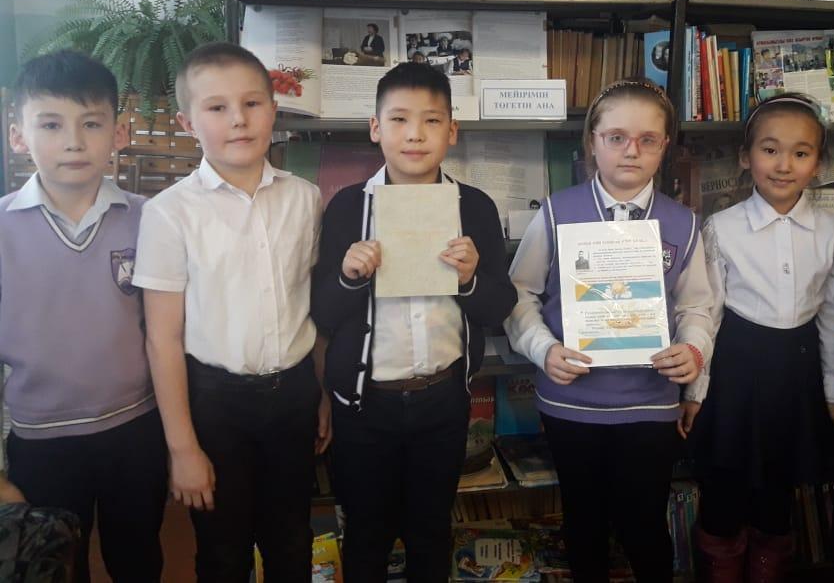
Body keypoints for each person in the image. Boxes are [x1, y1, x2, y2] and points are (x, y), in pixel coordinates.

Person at [311, 62, 516, 582]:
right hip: (364, 407)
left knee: (431, 531)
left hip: (441, 400)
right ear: (375, 128)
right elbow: (322, 313)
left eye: (431, 120)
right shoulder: (346, 209)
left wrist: (469, 279)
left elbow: (499, 306)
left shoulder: (474, 207)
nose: (415, 134)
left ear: (452, 130)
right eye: (399, 119)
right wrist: (350, 277)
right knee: (366, 534)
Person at [133, 43, 329, 583]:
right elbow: (162, 339)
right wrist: (183, 447)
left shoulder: (305, 198)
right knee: (223, 551)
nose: (238, 120)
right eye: (217, 108)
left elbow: (312, 305)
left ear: (273, 110)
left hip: (293, 395)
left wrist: (321, 392)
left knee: (293, 540)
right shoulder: (169, 214)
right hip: (215, 405)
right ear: (187, 122)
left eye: (252, 104)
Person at [506, 79, 714, 582]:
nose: (631, 150)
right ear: (592, 142)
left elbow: (697, 307)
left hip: (650, 404)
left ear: (664, 146)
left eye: (647, 139)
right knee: (585, 523)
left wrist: (693, 350)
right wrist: (543, 348)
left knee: (645, 524)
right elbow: (519, 295)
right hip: (572, 402)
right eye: (616, 137)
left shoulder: (683, 223)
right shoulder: (557, 212)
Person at [0, 52, 168, 582]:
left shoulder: (150, 220)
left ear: (119, 132)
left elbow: (168, 333)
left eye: (91, 124)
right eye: (51, 125)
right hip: (40, 442)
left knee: (138, 558)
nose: (73, 142)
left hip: (135, 431)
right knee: (55, 565)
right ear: (18, 136)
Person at [691, 92, 834, 583]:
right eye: (770, 150)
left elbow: (833, 319)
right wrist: (696, 391)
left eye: (801, 153)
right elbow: (706, 314)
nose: (784, 165)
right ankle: (721, 562)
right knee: (723, 479)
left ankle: (769, 564)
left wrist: (832, 394)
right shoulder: (720, 228)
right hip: (734, 372)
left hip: (796, 373)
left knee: (777, 485)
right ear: (746, 157)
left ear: (817, 162)